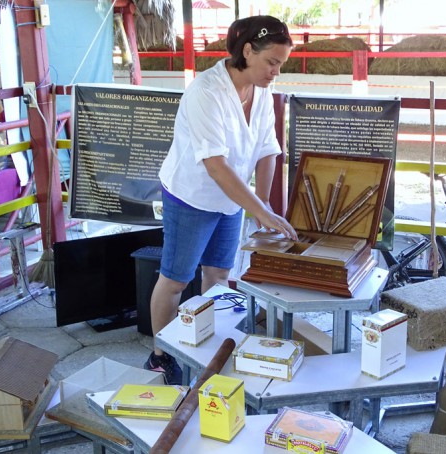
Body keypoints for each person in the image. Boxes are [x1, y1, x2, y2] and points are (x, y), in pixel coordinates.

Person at [144, 15, 298, 384]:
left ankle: (206, 342)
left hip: (233, 197)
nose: (275, 72)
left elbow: (267, 150)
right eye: (272, 62)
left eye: (281, 64)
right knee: (176, 279)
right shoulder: (206, 91)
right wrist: (259, 210)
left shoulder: (261, 92)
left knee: (219, 274)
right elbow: (215, 165)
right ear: (247, 51)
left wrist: (265, 206)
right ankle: (161, 354)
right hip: (191, 195)